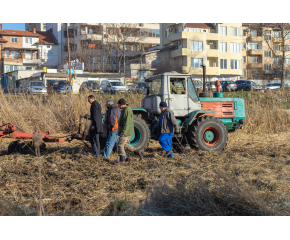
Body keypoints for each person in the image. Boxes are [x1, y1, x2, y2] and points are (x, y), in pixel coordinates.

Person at [117, 98, 143, 164]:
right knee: (125, 145)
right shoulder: (125, 110)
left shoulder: (127, 110)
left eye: (118, 104)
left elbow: (127, 123)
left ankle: (122, 160)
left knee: (120, 145)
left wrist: (123, 132)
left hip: (126, 132)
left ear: (122, 105)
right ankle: (138, 152)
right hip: (127, 131)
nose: (118, 105)